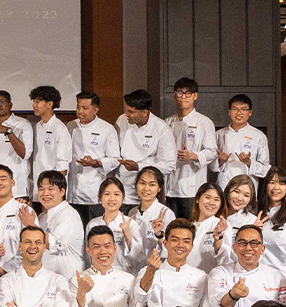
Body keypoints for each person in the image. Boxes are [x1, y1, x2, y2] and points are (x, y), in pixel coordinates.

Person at [136, 219, 214, 307]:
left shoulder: (201, 277)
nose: (180, 245)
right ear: (165, 243)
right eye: (175, 240)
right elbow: (140, 298)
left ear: (192, 246)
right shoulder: (148, 271)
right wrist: (151, 270)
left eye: (186, 241)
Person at [164, 78, 218, 220]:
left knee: (191, 228)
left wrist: (193, 156)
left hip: (192, 188)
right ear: (175, 96)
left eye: (188, 93)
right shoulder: (167, 122)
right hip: (169, 188)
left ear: (195, 96)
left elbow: (212, 151)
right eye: (180, 93)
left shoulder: (204, 122)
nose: (183, 97)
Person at [114, 90, 176, 207]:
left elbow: (169, 164)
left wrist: (138, 166)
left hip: (147, 194)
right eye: (126, 110)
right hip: (122, 189)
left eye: (131, 112)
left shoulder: (161, 129)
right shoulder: (122, 120)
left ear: (144, 112)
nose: (127, 114)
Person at [67, 91, 120, 225]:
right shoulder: (70, 126)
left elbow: (115, 159)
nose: (80, 111)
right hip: (72, 191)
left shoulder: (107, 129)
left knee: (95, 230)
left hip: (94, 192)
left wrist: (95, 162)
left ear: (95, 110)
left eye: (85, 108)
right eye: (78, 107)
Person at [210, 94, 271, 189]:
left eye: (243, 109)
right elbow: (210, 166)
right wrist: (220, 161)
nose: (239, 113)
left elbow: (266, 170)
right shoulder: (218, 134)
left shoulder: (259, 136)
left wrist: (249, 162)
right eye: (235, 109)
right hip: (224, 185)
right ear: (229, 112)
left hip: (248, 187)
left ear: (250, 112)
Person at [86, 177, 144, 274]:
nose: (112, 199)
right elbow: (88, 256)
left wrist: (127, 235)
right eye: (107, 194)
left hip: (124, 275)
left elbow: (138, 258)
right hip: (98, 275)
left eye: (116, 194)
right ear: (100, 197)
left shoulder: (131, 224)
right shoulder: (92, 224)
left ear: (123, 198)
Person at [256, 167, 286, 275]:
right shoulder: (255, 213)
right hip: (260, 276)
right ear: (265, 186)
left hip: (285, 275)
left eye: (281, 183)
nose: (276, 187)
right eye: (272, 182)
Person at [0, 90, 34, 199]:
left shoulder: (23, 124)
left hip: (17, 190)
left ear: (10, 104)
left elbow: (25, 154)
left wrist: (8, 131)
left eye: (1, 102)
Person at [35, 170, 83, 278]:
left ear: (62, 191)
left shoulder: (69, 214)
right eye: (41, 189)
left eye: (51, 189)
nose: (45, 193)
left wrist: (30, 223)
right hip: (46, 280)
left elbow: (56, 245)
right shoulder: (42, 217)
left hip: (67, 280)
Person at [210, 174, 259, 267]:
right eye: (236, 191)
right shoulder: (214, 214)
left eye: (246, 195)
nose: (240, 198)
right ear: (228, 190)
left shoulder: (252, 221)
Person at [30, 85, 71, 195]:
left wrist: (51, 192)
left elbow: (62, 167)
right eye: (33, 101)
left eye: (38, 102)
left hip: (51, 191)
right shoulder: (37, 127)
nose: (34, 105)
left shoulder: (60, 129)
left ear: (49, 104)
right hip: (38, 188)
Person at [129, 166, 176, 260]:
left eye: (152, 185)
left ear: (159, 188)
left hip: (157, 268)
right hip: (133, 268)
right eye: (142, 183)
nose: (146, 189)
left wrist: (159, 234)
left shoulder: (167, 214)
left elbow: (171, 248)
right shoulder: (132, 213)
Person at [185, 183, 227, 273]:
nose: (211, 203)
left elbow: (225, 258)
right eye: (207, 197)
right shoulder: (188, 226)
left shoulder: (221, 225)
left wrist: (218, 239)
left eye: (216, 200)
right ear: (197, 199)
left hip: (209, 279)